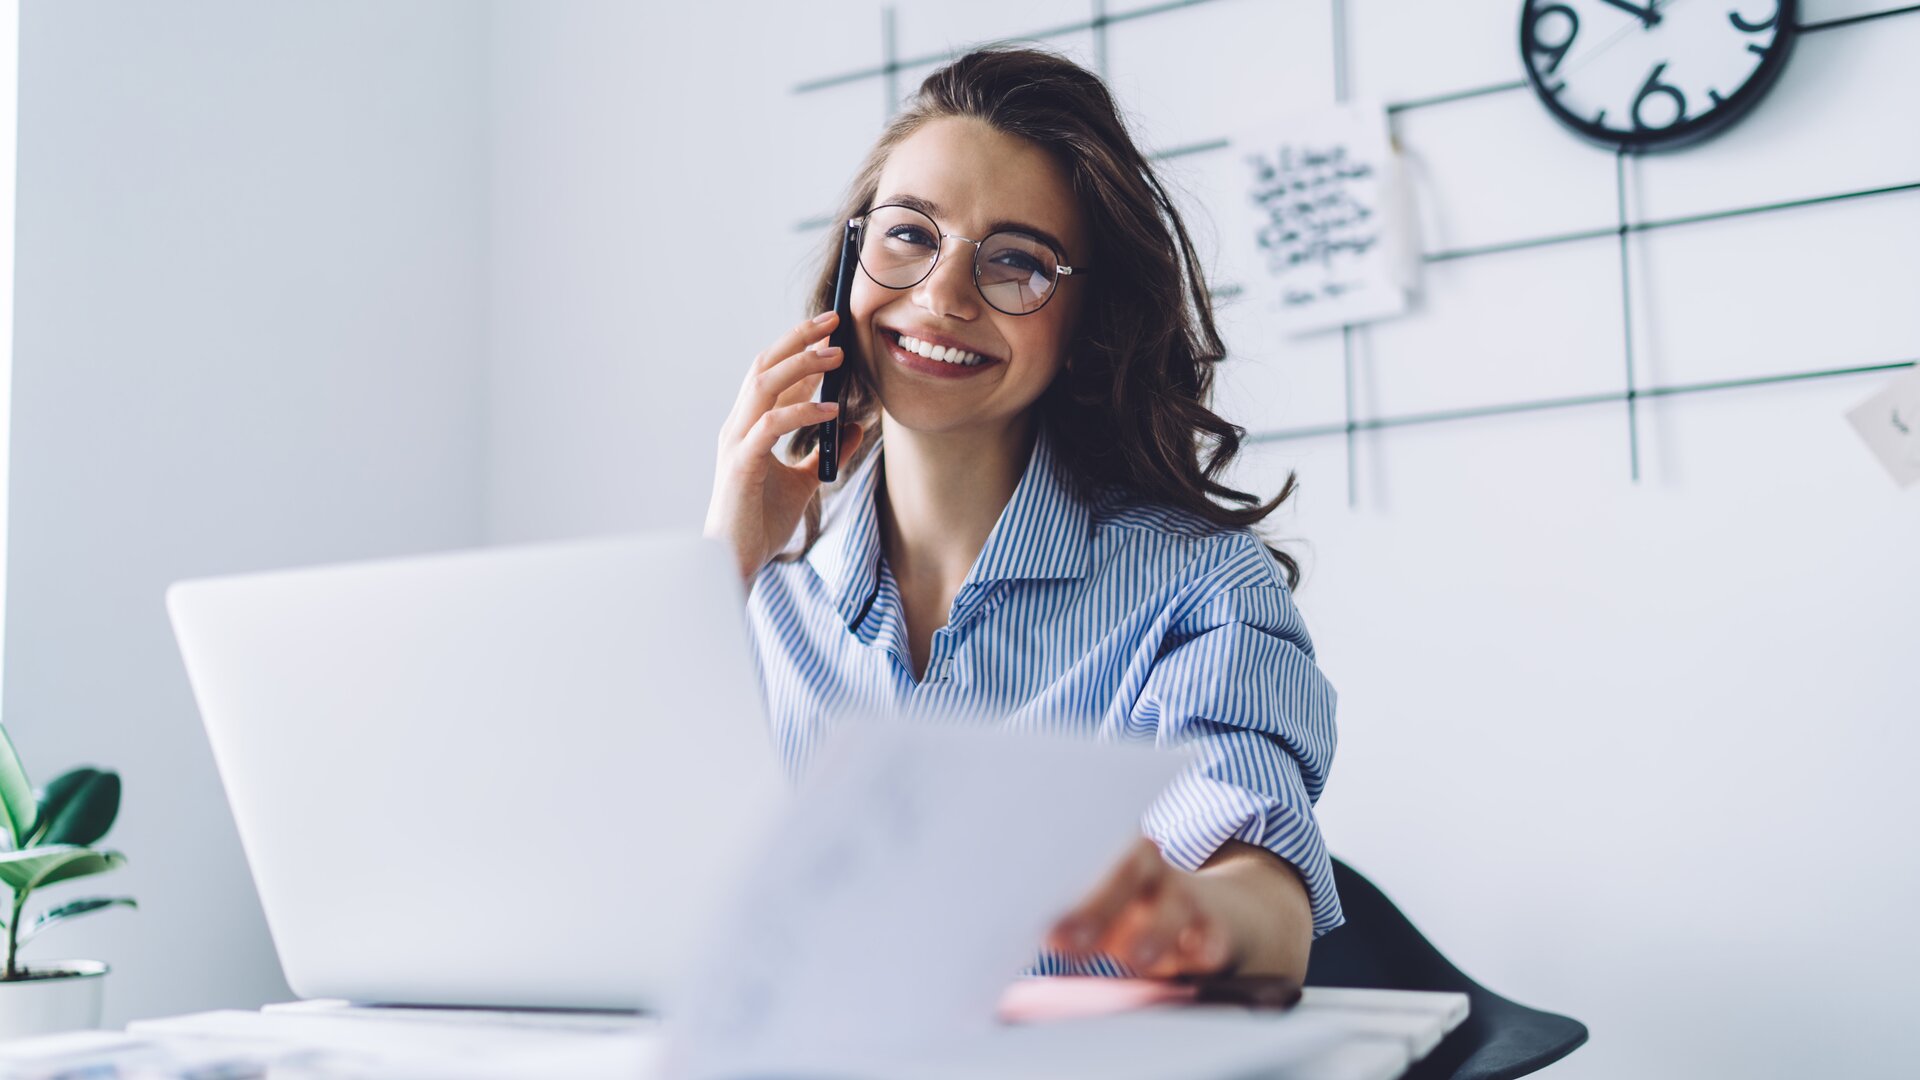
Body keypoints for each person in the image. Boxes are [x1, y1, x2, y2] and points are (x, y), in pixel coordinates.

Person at [703, 46, 1338, 983]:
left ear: (1087, 327)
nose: (943, 297)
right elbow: (600, 877)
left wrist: (1190, 913)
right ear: (851, 259)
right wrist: (721, 568)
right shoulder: (756, 606)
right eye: (909, 235)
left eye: (1016, 263)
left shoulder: (1198, 589)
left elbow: (1264, 889)